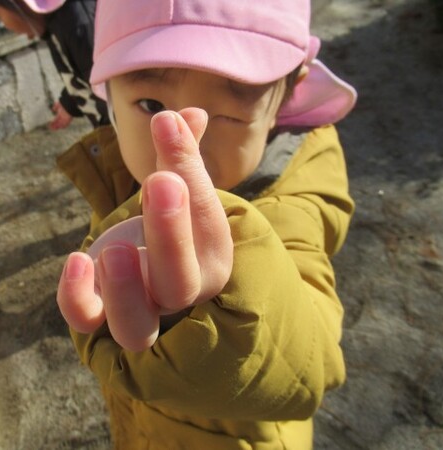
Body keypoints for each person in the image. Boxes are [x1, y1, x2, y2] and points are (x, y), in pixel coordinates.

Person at [56, 0, 357, 447]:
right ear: (109, 99)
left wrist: (218, 304)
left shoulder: (292, 204)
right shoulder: (120, 175)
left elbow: (311, 366)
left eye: (230, 115)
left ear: (283, 102)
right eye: (151, 105)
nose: (188, 148)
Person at [0, 0, 109, 129]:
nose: (7, 27)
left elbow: (110, 91)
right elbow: (82, 72)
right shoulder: (56, 24)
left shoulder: (77, 25)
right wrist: (70, 102)